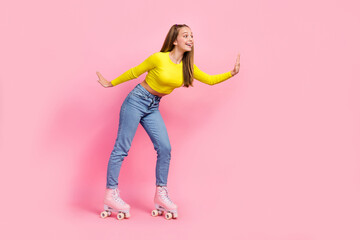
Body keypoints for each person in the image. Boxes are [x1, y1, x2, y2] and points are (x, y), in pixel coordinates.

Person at [97, 24, 241, 220]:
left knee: (165, 148)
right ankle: (111, 193)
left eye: (192, 36)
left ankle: (161, 193)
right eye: (186, 35)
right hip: (136, 100)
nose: (190, 39)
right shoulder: (159, 58)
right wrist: (110, 83)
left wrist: (231, 73)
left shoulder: (187, 67)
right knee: (122, 148)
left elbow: (209, 80)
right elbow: (134, 72)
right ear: (175, 40)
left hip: (153, 107)